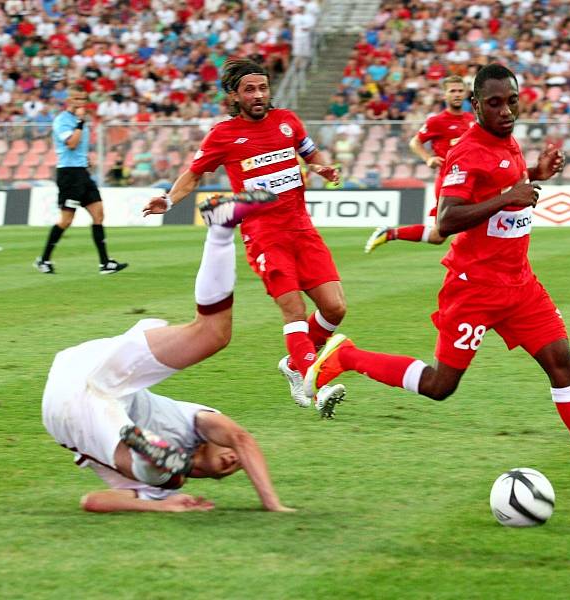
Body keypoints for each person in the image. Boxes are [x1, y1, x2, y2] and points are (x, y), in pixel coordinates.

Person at [303, 65, 570, 493]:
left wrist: (535, 177)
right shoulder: (467, 152)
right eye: (494, 103)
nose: (506, 110)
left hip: (520, 285)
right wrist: (509, 196)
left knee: (563, 365)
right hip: (474, 289)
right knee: (440, 386)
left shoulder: (507, 142)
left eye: (511, 101)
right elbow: (447, 219)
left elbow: (505, 193)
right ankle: (348, 357)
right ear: (475, 105)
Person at [42, 192, 313, 512]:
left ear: (211, 477)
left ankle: (154, 457)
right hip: (94, 368)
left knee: (163, 477)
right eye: (237, 459)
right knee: (212, 334)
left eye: (230, 469)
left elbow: (93, 501)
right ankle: (221, 227)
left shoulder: (165, 489)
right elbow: (242, 439)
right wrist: (272, 503)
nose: (233, 460)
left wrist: (161, 505)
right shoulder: (192, 422)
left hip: (69, 411)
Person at [142, 58, 347, 413]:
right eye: (249, 89)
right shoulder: (223, 135)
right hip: (264, 235)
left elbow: (311, 155)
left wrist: (321, 167)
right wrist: (167, 199)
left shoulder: (288, 122)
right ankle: (316, 386)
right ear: (234, 96)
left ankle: (296, 363)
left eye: (263, 88)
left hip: (302, 227)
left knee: (335, 307)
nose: (258, 95)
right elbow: (193, 174)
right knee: (294, 309)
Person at [364, 76, 476, 253]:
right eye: (452, 91)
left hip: (472, 181)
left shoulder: (471, 119)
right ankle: (390, 233)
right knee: (438, 235)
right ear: (444, 95)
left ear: (466, 93)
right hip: (449, 181)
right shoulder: (436, 121)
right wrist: (428, 158)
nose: (456, 94)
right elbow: (415, 142)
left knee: (477, 226)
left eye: (460, 91)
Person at [34, 85, 128, 275]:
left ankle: (105, 263)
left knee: (98, 214)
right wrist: (79, 122)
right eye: (76, 99)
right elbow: (71, 144)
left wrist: (84, 160)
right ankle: (43, 260)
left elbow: (78, 148)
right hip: (68, 175)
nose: (80, 102)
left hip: (82, 173)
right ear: (69, 101)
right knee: (67, 220)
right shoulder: (63, 121)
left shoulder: (81, 122)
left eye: (83, 99)